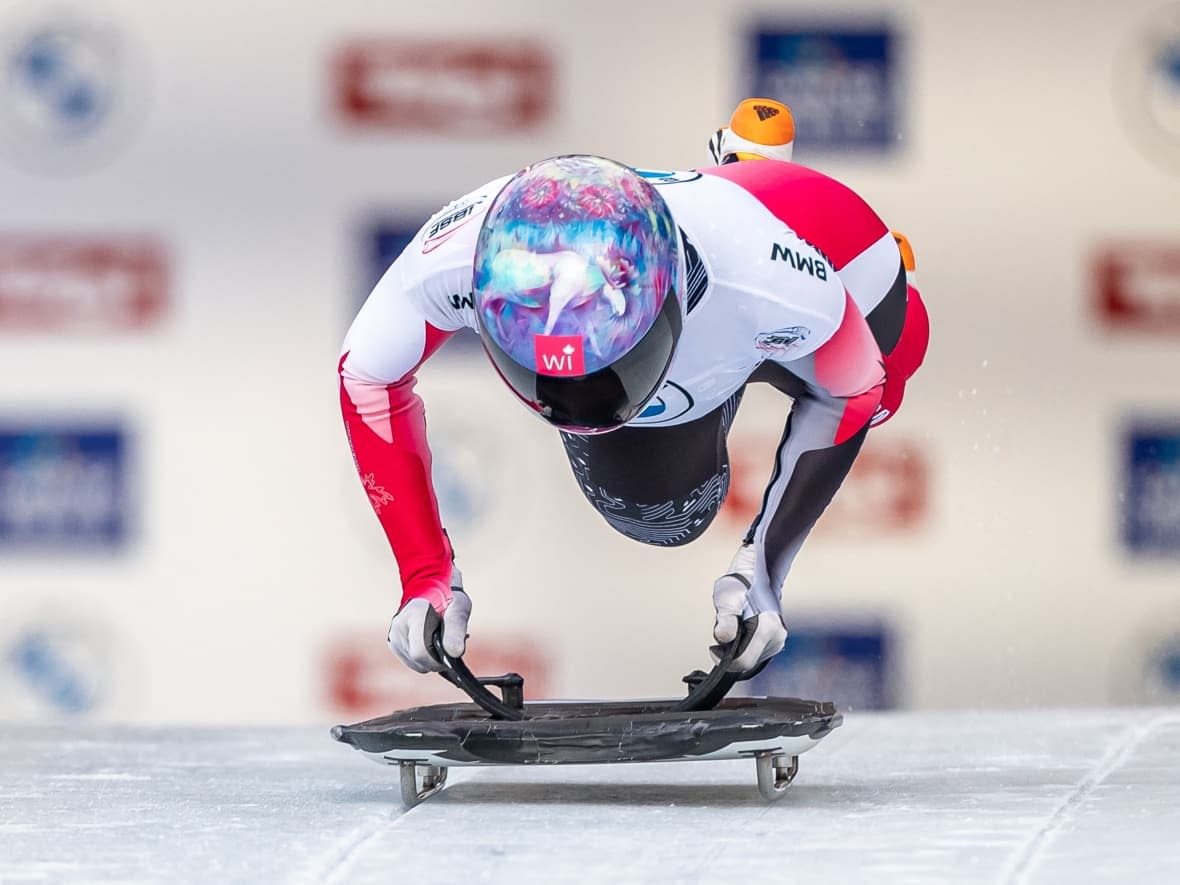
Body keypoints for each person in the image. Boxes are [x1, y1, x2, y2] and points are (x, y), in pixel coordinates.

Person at [339, 143, 928, 681]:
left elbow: (852, 389)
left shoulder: (772, 285)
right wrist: (426, 578)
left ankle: (749, 168)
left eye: (604, 366)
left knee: (892, 367)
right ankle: (711, 353)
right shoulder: (453, 261)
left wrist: (764, 569)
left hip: (812, 255)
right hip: (718, 329)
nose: (576, 401)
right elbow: (365, 377)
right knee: (664, 515)